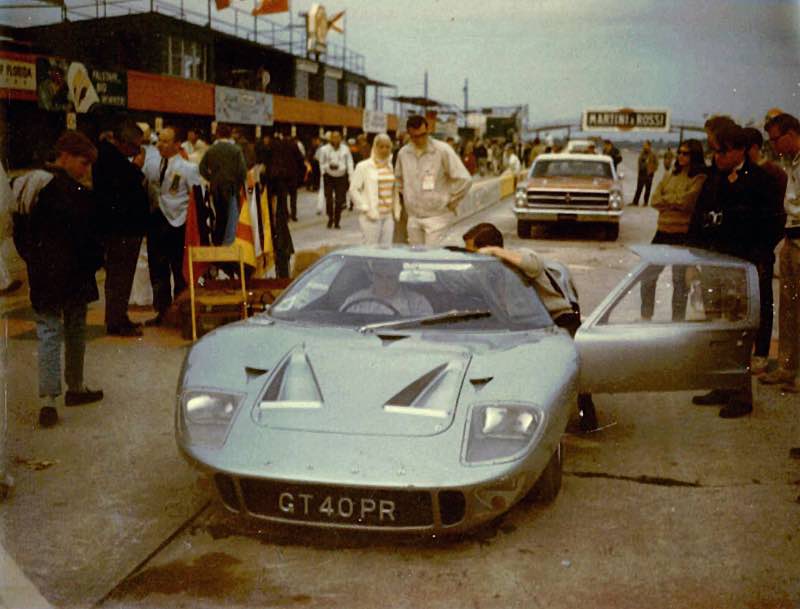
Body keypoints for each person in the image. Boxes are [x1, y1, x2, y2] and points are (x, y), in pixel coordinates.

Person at [462, 222, 599, 432]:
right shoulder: (488, 273)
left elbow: (533, 265)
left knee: (572, 373)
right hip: (526, 329)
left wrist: (495, 252)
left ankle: (586, 412)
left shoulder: (519, 257)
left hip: (559, 320)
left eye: (474, 252)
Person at [11, 131, 103, 428]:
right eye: (82, 161)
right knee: (74, 331)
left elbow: (20, 233)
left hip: (44, 274)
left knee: (49, 331)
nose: (85, 168)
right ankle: (74, 387)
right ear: (65, 155)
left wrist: (34, 262)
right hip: (74, 274)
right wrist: (93, 264)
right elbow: (89, 239)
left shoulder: (31, 186)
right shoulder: (74, 194)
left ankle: (49, 400)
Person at [688, 123, 779, 418]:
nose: (717, 156)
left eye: (722, 151)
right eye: (714, 150)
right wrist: (693, 259)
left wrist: (756, 259)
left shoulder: (761, 181)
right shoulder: (713, 179)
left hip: (744, 268)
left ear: (739, 150)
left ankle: (741, 395)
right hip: (714, 264)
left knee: (739, 333)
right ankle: (722, 384)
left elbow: (773, 224)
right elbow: (698, 219)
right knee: (717, 330)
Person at [640, 139, 707, 321]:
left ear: (694, 156)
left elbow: (688, 202)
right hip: (662, 232)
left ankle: (677, 320)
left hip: (682, 234)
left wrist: (667, 201)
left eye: (686, 153)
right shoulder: (670, 174)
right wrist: (674, 202)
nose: (680, 156)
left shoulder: (699, 178)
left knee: (679, 281)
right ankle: (645, 316)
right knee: (647, 276)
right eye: (680, 152)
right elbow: (654, 199)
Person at [94, 119, 149, 337]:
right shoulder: (110, 159)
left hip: (121, 227)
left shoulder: (108, 156)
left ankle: (118, 316)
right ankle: (117, 320)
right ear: (125, 143)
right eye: (136, 145)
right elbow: (125, 185)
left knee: (120, 277)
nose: (138, 150)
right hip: (121, 229)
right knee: (120, 276)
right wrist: (136, 167)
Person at [742, 127, 789, 375]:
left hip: (761, 250)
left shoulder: (773, 174)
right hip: (748, 248)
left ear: (752, 148)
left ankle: (760, 353)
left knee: (763, 303)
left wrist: (766, 245)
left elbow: (778, 216)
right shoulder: (745, 172)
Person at [144, 125, 201, 326]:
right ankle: (162, 312)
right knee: (157, 269)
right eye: (159, 140)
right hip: (156, 220)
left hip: (178, 223)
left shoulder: (189, 169)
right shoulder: (151, 165)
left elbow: (197, 199)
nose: (160, 144)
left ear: (177, 145)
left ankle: (183, 312)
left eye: (166, 141)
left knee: (179, 270)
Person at [760, 113, 800, 398]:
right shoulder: (792, 162)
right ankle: (788, 367)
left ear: (791, 133)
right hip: (791, 239)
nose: (774, 146)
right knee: (788, 310)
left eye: (776, 139)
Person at [394, 115, 471, 246]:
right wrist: (408, 197)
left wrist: (450, 200)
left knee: (431, 258)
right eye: (415, 136)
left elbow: (464, 179)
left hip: (437, 217)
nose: (419, 139)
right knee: (416, 260)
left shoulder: (442, 150)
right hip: (413, 217)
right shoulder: (403, 153)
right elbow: (398, 180)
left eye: (422, 135)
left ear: (428, 131)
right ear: (409, 135)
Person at [199, 123, 248, 245]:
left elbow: (202, 168)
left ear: (218, 134)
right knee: (231, 217)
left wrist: (211, 178)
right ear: (230, 134)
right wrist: (239, 183)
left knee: (219, 216)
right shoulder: (236, 150)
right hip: (231, 188)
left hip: (216, 188)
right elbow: (242, 171)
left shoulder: (212, 150)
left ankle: (218, 242)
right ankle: (229, 244)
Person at [349, 133, 401, 246]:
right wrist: (365, 207)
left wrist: (396, 210)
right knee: (370, 250)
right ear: (375, 147)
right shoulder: (363, 166)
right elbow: (353, 190)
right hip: (371, 216)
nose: (384, 150)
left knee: (386, 250)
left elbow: (394, 191)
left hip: (388, 216)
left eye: (387, 147)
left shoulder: (391, 167)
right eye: (381, 146)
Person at [339, 258, 432, 316]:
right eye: (379, 276)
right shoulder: (354, 302)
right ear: (372, 276)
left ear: (398, 277)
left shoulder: (417, 303)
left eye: (390, 277)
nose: (384, 283)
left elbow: (425, 334)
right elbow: (341, 330)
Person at [319, 131, 353, 229]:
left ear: (340, 138)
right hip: (329, 176)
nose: (335, 139)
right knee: (329, 199)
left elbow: (349, 162)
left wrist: (351, 175)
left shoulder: (345, 149)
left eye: (337, 137)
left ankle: (337, 220)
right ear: (330, 139)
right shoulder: (324, 149)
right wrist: (325, 169)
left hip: (341, 176)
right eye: (333, 137)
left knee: (339, 200)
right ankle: (330, 217)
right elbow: (321, 162)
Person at [631, 140, 658, 206]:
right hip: (641, 173)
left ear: (649, 146)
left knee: (647, 189)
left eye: (645, 145)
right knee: (639, 188)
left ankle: (645, 202)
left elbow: (656, 164)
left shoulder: (653, 154)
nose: (644, 147)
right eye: (644, 145)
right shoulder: (642, 153)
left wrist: (652, 170)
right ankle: (635, 202)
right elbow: (639, 162)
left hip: (649, 174)